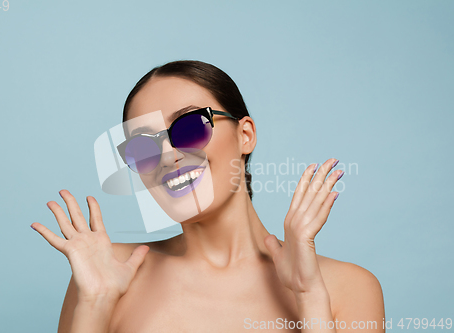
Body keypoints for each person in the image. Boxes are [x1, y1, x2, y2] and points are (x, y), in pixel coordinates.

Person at [31, 60, 385, 332]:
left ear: (245, 135)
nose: (168, 156)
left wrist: (308, 296)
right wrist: (96, 304)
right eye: (144, 147)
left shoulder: (347, 287)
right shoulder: (107, 273)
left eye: (189, 126)